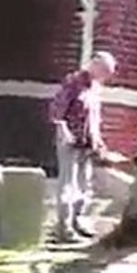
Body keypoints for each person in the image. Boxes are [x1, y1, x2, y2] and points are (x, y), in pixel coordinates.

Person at [49, 50, 117, 242]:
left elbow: (94, 117)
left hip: (87, 143)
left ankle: (78, 221)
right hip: (70, 140)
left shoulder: (95, 87)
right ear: (94, 64)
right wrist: (63, 129)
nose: (106, 76)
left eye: (108, 72)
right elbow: (57, 108)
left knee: (84, 184)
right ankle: (64, 228)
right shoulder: (74, 81)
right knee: (68, 184)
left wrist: (99, 140)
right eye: (104, 70)